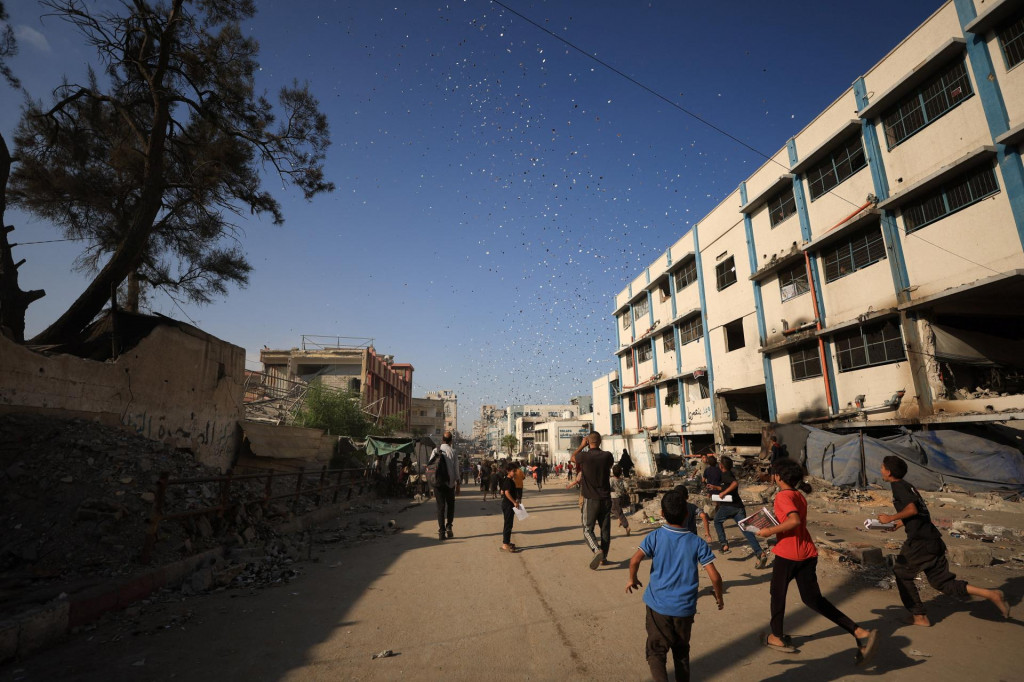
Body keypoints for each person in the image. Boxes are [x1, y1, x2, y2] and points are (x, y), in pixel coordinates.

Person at [756, 458, 878, 664]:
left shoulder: (783, 496)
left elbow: (793, 521)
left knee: (777, 595)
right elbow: (793, 520)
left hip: (788, 554)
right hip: (807, 552)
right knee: (813, 600)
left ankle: (776, 636)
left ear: (777, 476)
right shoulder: (798, 495)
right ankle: (858, 632)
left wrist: (768, 530)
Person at [877, 455, 1010, 625]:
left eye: (882, 468)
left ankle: (919, 616)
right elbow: (918, 511)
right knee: (942, 583)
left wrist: (890, 518)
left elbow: (912, 509)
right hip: (933, 540)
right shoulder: (908, 486)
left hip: (920, 542)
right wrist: (900, 523)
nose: (880, 470)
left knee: (902, 572)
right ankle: (991, 594)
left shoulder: (898, 487)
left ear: (888, 472)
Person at [626, 490, 723, 682]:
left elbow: (635, 560)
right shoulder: (697, 542)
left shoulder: (655, 537)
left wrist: (632, 579)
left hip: (657, 606)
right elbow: (715, 576)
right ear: (687, 514)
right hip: (685, 609)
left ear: (662, 513)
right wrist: (719, 595)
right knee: (681, 652)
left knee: (656, 652)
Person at [568, 432, 614, 570]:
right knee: (605, 530)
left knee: (587, 529)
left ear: (588, 441)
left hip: (591, 499)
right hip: (606, 498)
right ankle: (604, 557)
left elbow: (572, 458)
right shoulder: (607, 455)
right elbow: (610, 465)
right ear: (600, 441)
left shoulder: (584, 456)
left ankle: (597, 550)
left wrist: (582, 446)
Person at [712, 456, 768, 567]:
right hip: (738, 507)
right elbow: (728, 487)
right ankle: (760, 553)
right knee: (746, 530)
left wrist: (722, 493)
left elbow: (734, 484)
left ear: (721, 466)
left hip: (729, 506)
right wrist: (717, 488)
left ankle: (724, 545)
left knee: (717, 520)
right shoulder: (728, 475)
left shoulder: (726, 474)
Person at [429, 432, 460, 541]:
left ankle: (441, 531)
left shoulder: (435, 450)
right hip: (449, 484)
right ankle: (449, 526)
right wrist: (458, 483)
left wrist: (431, 484)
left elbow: (431, 467)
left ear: (442, 440)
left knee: (440, 507)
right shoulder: (453, 451)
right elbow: (456, 469)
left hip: (438, 484)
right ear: (451, 441)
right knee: (451, 505)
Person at [499, 461, 523, 553]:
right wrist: (514, 502)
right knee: (508, 524)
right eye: (513, 471)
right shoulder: (508, 480)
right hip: (508, 505)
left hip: (508, 505)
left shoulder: (507, 480)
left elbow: (502, 491)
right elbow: (506, 493)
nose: (515, 473)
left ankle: (507, 542)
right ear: (508, 471)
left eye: (515, 471)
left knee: (509, 524)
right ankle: (505, 544)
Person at [610, 464, 632, 536]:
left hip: (614, 497)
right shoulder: (622, 480)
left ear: (613, 472)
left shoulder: (612, 480)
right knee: (616, 509)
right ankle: (619, 519)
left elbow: (609, 487)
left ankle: (626, 526)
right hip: (621, 496)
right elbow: (626, 486)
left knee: (618, 512)